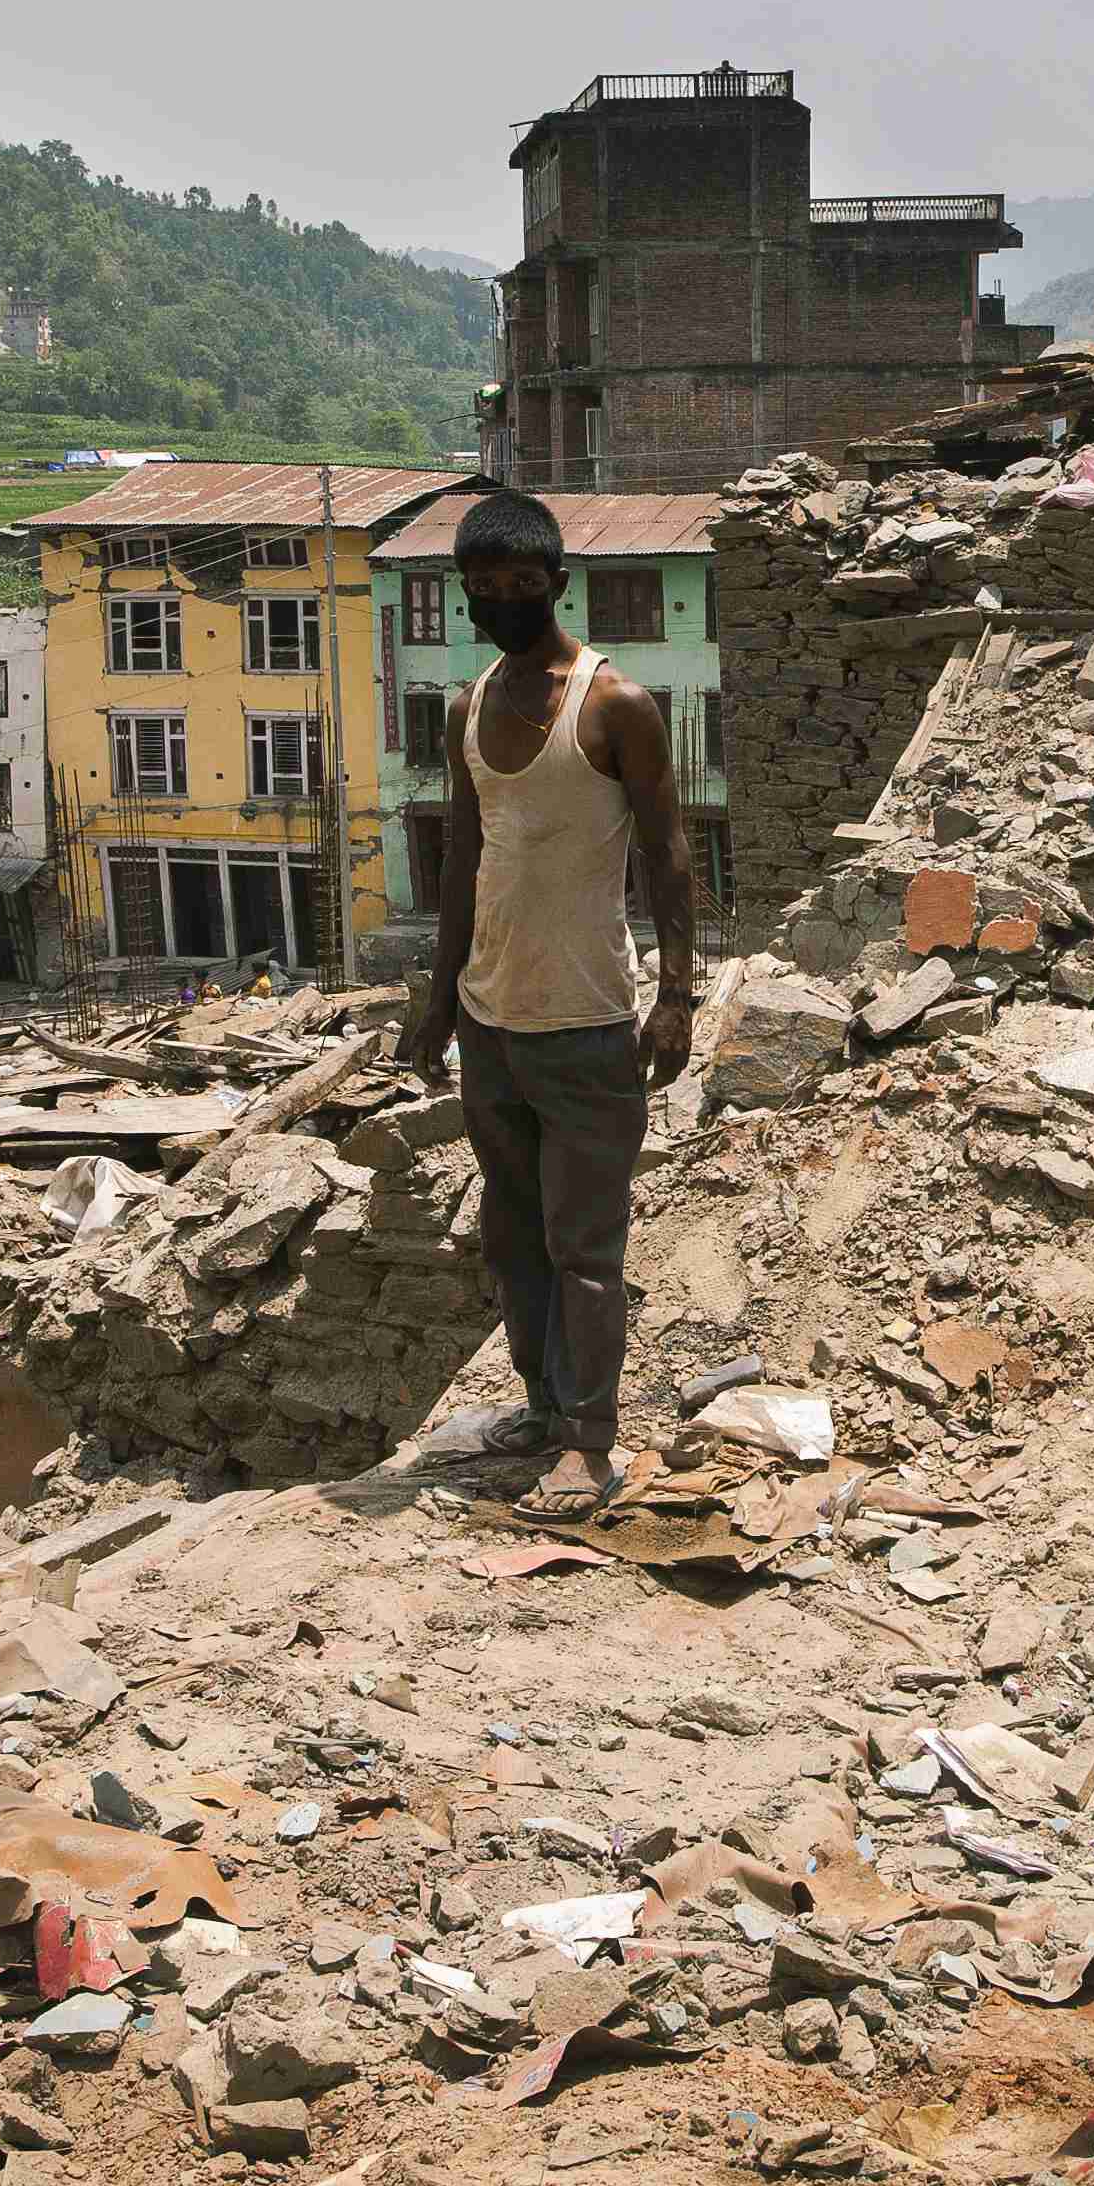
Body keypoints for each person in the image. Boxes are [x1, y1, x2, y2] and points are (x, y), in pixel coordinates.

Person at [398, 492, 700, 1520]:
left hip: (587, 1017)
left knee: (585, 1246)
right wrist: (437, 1003)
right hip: (493, 1022)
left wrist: (678, 992)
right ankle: (537, 1405)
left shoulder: (615, 705)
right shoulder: (467, 706)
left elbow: (667, 850)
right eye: (479, 591)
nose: (498, 605)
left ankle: (588, 1439)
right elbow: (463, 864)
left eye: (518, 587)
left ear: (555, 582)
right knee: (512, 1234)